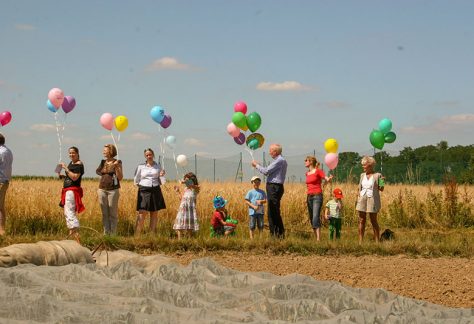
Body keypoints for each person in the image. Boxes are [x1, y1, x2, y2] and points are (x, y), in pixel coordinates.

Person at [251, 143, 287, 238]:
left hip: (274, 187)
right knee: (273, 210)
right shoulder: (280, 160)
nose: (269, 152)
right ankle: (278, 234)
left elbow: (266, 171)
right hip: (275, 187)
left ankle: (276, 234)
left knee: (273, 211)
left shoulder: (279, 160)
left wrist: (256, 165)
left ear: (275, 151)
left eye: (271, 150)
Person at [133, 148, 166, 236]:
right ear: (145, 156)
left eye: (150, 154)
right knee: (142, 212)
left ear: (153, 155)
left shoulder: (158, 166)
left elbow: (162, 181)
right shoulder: (141, 166)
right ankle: (137, 235)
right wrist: (141, 186)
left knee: (154, 212)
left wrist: (162, 175)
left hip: (155, 189)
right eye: (147, 155)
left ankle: (151, 235)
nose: (149, 156)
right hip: (144, 190)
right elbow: (136, 179)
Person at [58, 147, 85, 243]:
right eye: (70, 153)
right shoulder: (72, 163)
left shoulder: (79, 165)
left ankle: (77, 238)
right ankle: (71, 238)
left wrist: (65, 168)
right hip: (67, 190)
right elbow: (70, 176)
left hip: (72, 191)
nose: (71, 155)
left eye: (73, 153)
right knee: (67, 212)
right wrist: (64, 176)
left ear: (77, 153)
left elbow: (74, 177)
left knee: (70, 212)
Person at [356, 155, 385, 243]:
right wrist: (357, 198)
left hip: (372, 199)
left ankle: (377, 241)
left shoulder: (377, 175)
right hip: (362, 199)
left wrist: (382, 182)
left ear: (370, 165)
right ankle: (360, 242)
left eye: (364, 165)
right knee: (361, 220)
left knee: (373, 220)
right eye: (362, 164)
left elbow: (381, 189)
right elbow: (359, 188)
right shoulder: (362, 175)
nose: (363, 166)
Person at [96, 144, 123, 235]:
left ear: (111, 151)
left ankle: (113, 234)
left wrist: (116, 167)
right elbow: (99, 171)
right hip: (102, 189)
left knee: (113, 213)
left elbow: (120, 177)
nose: (103, 152)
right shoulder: (103, 162)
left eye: (105, 150)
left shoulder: (118, 162)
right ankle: (106, 233)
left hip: (113, 190)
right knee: (104, 213)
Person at [305, 156, 333, 241]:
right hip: (309, 196)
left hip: (317, 196)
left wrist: (329, 179)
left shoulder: (318, 171)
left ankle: (318, 239)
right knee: (311, 217)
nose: (305, 162)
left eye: (306, 160)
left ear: (310, 162)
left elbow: (326, 178)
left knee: (315, 217)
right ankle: (316, 238)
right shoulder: (307, 173)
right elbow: (308, 186)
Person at [173, 172, 200, 239]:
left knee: (189, 226)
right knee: (180, 224)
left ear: (192, 180)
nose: (186, 181)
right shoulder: (185, 189)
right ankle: (180, 240)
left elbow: (192, 185)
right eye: (185, 179)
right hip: (183, 208)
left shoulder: (195, 188)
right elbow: (181, 198)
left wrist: (185, 182)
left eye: (187, 180)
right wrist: (178, 191)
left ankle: (189, 239)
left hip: (190, 209)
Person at [0, 134, 13, 236]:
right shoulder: (7, 151)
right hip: (4, 180)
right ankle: (2, 230)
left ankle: (1, 231)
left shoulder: (1, 152)